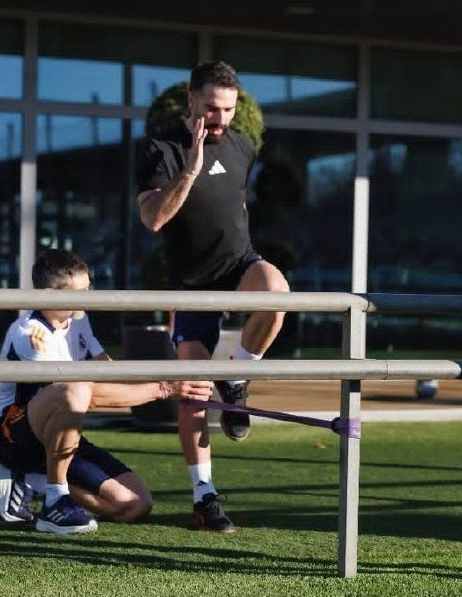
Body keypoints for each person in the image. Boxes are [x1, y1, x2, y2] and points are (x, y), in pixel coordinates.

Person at [137, 60, 289, 532]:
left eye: (227, 108)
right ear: (191, 101)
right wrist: (191, 171)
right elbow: (153, 220)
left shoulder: (244, 146)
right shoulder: (163, 149)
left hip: (237, 265)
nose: (220, 117)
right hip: (191, 285)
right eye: (211, 108)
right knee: (194, 398)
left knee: (276, 292)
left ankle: (238, 378)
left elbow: (236, 203)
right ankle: (204, 496)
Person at [0, 249, 213, 534]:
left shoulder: (78, 318)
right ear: (51, 293)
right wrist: (164, 389)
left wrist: (172, 383)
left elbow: (106, 371)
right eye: (81, 291)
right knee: (75, 388)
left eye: (89, 287)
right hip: (15, 436)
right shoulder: (30, 334)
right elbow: (86, 396)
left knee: (135, 505)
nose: (90, 295)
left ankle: (33, 480)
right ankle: (54, 502)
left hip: (61, 431)